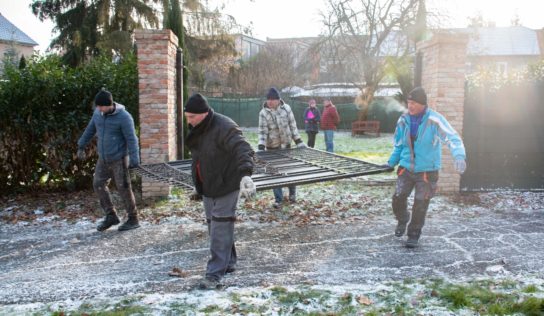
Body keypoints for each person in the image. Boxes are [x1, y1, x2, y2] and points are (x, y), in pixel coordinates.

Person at [184, 93, 256, 290]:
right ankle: (229, 262)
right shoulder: (198, 128)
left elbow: (244, 148)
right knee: (214, 225)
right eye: (186, 116)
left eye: (191, 117)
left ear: (204, 113)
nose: (188, 121)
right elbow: (199, 158)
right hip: (208, 185)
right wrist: (197, 184)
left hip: (228, 182)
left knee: (220, 226)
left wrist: (245, 174)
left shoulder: (224, 126)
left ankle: (214, 273)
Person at [386, 87, 466, 248]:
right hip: (406, 168)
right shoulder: (403, 120)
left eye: (414, 103)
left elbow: (453, 138)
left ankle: (414, 234)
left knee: (421, 204)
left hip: (427, 171)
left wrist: (459, 155)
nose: (410, 106)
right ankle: (402, 219)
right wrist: (391, 163)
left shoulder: (435, 120)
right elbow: (399, 145)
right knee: (398, 198)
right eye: (408, 102)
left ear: (423, 104)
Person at [77, 89, 141, 232]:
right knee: (98, 184)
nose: (99, 109)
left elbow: (132, 139)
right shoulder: (98, 114)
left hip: (119, 158)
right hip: (103, 158)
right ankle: (111, 215)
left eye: (101, 106)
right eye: (97, 106)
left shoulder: (124, 117)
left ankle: (133, 218)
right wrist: (81, 145)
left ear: (109, 105)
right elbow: (90, 130)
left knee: (123, 188)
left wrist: (135, 160)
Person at [257, 87, 306, 209]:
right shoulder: (263, 113)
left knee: (289, 171)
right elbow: (262, 131)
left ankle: (292, 194)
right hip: (272, 147)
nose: (270, 102)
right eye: (268, 99)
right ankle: (278, 199)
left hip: (287, 146)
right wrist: (261, 146)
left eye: (272, 99)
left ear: (278, 100)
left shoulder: (287, 109)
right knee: (274, 174)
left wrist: (298, 141)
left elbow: (293, 126)